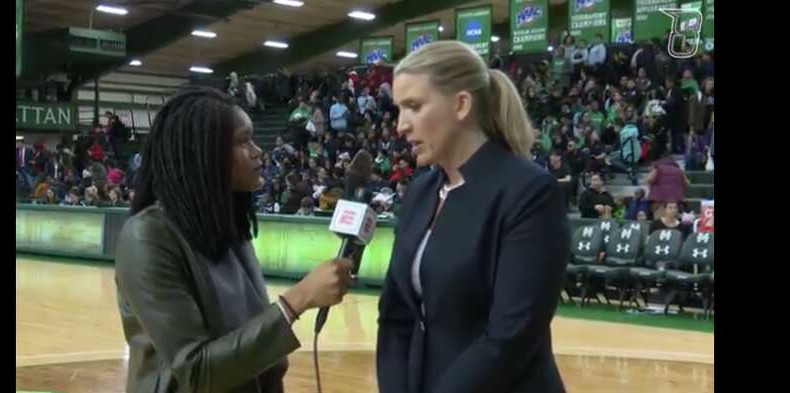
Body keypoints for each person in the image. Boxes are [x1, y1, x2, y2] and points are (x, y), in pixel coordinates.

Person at [115, 87, 354, 393]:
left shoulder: (230, 228)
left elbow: (255, 351)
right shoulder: (146, 236)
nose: (258, 151)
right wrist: (299, 299)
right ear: (202, 152)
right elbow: (197, 370)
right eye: (242, 141)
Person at [377, 40, 570, 393]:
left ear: (461, 104)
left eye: (414, 107)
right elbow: (395, 315)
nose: (401, 126)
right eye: (399, 109)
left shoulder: (530, 192)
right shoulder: (420, 191)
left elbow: (510, 336)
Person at [646, 152, 689, 218]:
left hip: (659, 200)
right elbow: (687, 183)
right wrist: (681, 191)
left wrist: (651, 188)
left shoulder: (658, 168)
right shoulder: (678, 170)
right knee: (673, 222)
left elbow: (649, 180)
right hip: (675, 200)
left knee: (660, 222)